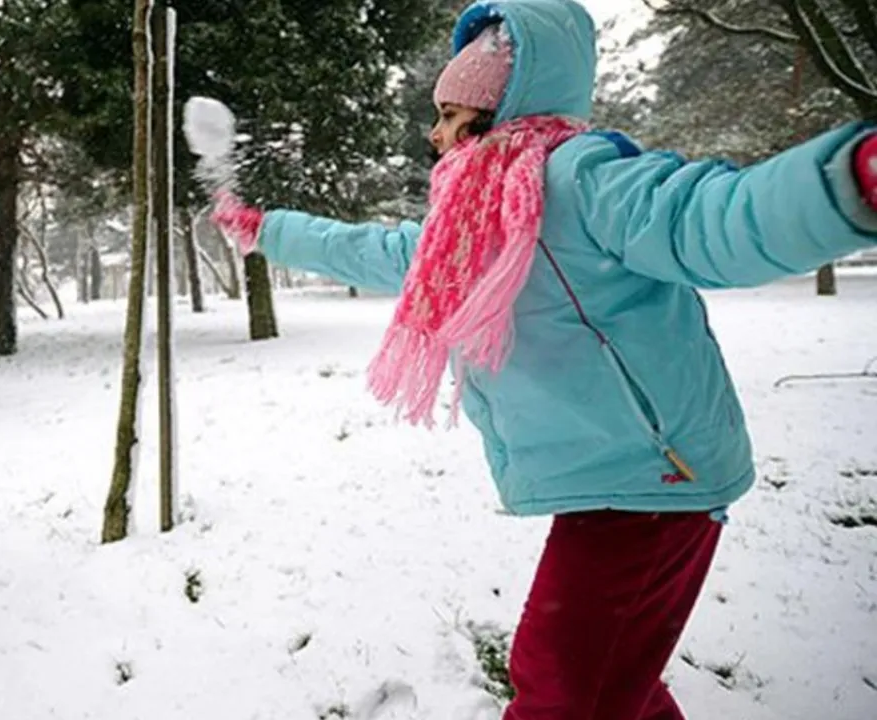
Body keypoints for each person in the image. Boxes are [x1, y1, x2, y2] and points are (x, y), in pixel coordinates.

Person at [210, 1, 877, 718]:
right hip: (609, 480)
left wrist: (846, 181)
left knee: (560, 679)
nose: (434, 134)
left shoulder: (583, 180)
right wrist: (270, 230)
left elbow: (708, 216)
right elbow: (373, 250)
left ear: (497, 113)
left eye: (449, 112)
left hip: (656, 472)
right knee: (615, 683)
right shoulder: (466, 220)